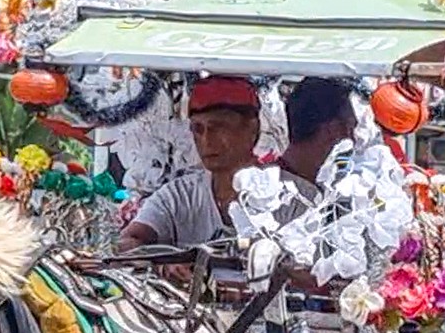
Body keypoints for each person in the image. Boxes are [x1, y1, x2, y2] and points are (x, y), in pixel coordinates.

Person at [119, 76, 315, 250]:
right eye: (198, 129)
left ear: (252, 129)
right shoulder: (178, 196)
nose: (206, 141)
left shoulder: (296, 197)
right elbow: (130, 239)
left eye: (218, 128)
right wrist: (164, 263)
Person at [274, 77, 358, 188]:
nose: (353, 139)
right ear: (333, 128)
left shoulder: (273, 184)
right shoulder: (270, 195)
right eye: (349, 128)